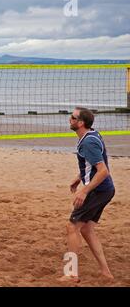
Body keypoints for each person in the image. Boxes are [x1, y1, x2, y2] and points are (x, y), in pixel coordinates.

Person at [60, 107, 115, 282]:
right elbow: (95, 163)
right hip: (104, 189)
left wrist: (84, 190)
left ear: (81, 123)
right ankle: (105, 272)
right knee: (87, 230)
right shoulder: (92, 135)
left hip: (98, 190)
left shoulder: (88, 142)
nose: (70, 119)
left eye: (73, 117)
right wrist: (79, 177)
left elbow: (103, 170)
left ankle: (71, 273)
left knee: (72, 227)